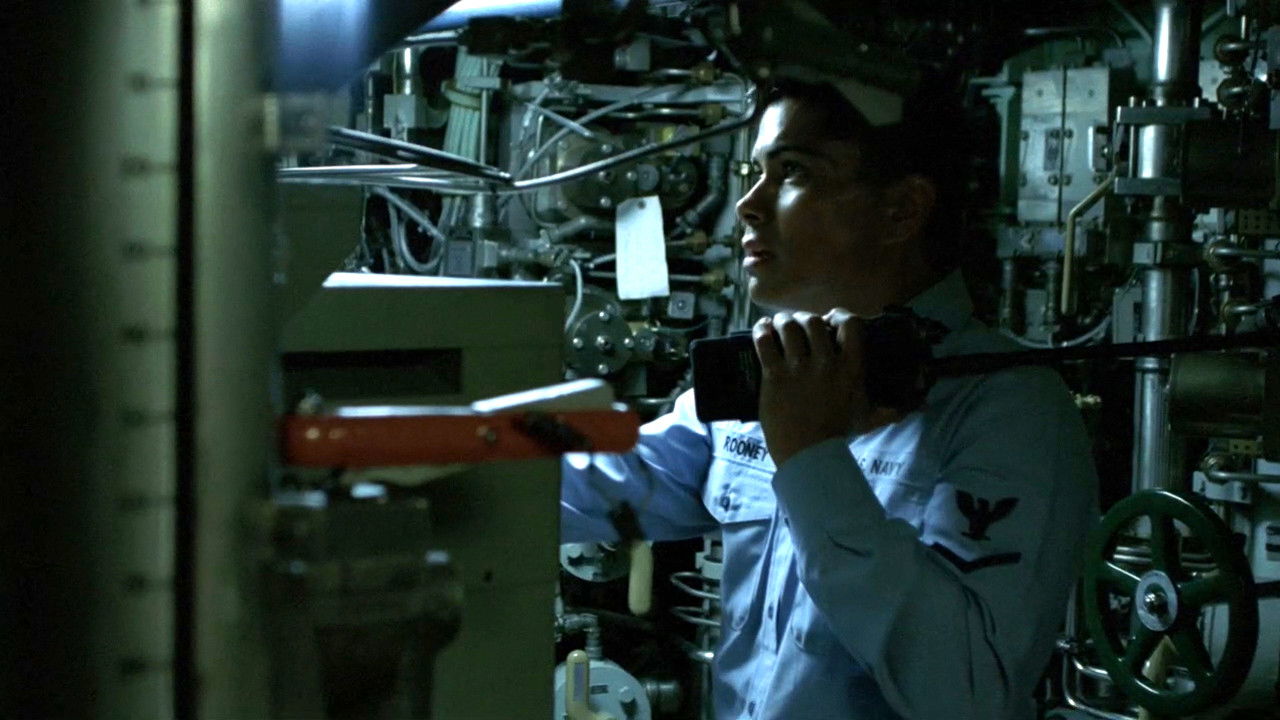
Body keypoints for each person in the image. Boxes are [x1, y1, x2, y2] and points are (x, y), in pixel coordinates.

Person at [560, 78, 1099, 720]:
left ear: (901, 210)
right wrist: (456, 442)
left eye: (793, 172)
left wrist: (811, 455)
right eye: (754, 173)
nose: (747, 206)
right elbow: (594, 483)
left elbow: (965, 691)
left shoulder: (1011, 411)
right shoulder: (775, 374)